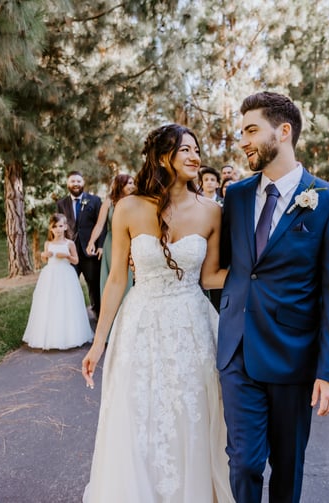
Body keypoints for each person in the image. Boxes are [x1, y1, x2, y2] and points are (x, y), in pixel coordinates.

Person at [80, 124, 233, 502]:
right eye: (185, 149)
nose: (195, 156)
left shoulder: (212, 212)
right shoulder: (128, 208)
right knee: (138, 416)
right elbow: (116, 279)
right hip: (141, 326)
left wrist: (266, 273)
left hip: (193, 327)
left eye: (197, 149)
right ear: (162, 156)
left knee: (191, 413)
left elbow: (211, 277)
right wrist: (98, 343)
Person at [218, 91, 329, 503]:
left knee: (287, 466)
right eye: (241, 131)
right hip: (237, 350)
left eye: (251, 130)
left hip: (293, 356)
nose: (242, 140)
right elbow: (225, 265)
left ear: (283, 131)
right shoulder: (237, 196)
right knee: (243, 462)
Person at [22, 214, 93, 350]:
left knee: (65, 302)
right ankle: (50, 335)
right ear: (51, 229)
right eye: (55, 227)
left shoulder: (69, 243)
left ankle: (69, 335)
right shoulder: (48, 244)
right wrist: (44, 255)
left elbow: (76, 260)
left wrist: (66, 256)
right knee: (50, 302)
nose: (58, 230)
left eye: (61, 226)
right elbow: (45, 259)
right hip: (50, 276)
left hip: (66, 275)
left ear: (65, 227)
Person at [57, 170, 105, 317]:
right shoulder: (61, 203)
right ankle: (72, 316)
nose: (76, 184)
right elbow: (59, 226)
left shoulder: (95, 200)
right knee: (70, 284)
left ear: (83, 183)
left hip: (90, 251)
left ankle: (98, 313)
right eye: (73, 181)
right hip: (70, 252)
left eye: (78, 181)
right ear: (68, 184)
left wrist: (101, 245)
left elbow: (101, 224)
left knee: (93, 283)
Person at [85, 173, 136, 301]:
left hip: (132, 243)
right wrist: (91, 242)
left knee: (129, 277)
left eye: (133, 183)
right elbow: (99, 225)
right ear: (121, 184)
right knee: (114, 278)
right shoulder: (109, 202)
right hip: (112, 244)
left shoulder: (135, 201)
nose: (133, 186)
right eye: (129, 183)